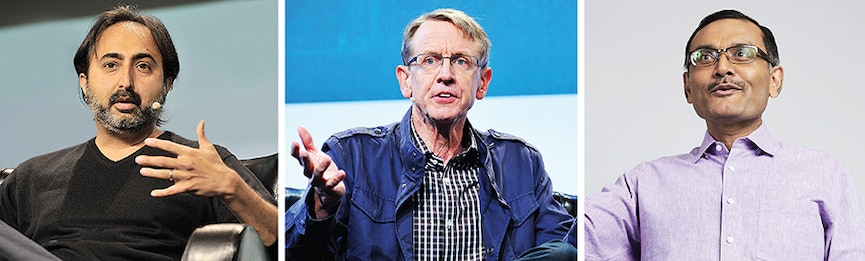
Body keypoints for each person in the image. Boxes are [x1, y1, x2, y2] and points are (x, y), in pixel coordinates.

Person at [285, 8, 576, 260]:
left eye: (461, 61)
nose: (445, 74)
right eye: (429, 60)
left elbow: (563, 249)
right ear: (406, 81)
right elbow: (296, 253)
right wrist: (322, 206)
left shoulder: (521, 163)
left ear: (482, 83)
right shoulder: (352, 156)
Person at [0, 5, 278, 260]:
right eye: (111, 65)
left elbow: (281, 241)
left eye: (143, 66)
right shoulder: (32, 177)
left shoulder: (202, 164)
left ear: (167, 84)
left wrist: (232, 189)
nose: (126, 82)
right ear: (84, 82)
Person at [585, 9, 865, 260]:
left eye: (742, 54)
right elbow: (573, 236)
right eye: (704, 57)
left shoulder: (826, 176)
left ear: (775, 80)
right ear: (687, 87)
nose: (722, 68)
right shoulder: (641, 185)